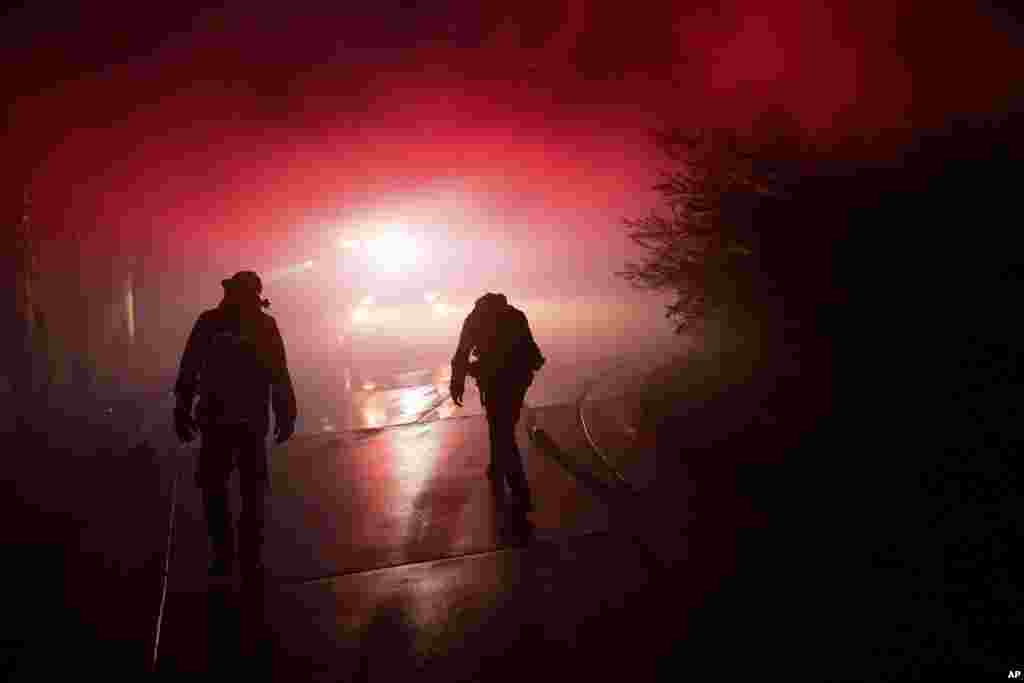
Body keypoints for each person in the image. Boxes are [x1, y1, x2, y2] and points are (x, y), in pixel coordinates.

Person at [174, 271, 297, 579]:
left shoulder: (209, 322)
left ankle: (224, 554)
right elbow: (278, 372)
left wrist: (182, 407)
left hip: (218, 420)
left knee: (217, 488)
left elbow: (189, 368)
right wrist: (285, 411)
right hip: (248, 419)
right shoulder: (263, 325)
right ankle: (246, 554)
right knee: (250, 488)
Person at [450, 292, 545, 512]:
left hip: (493, 380)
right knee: (504, 426)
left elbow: (462, 352)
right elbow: (529, 347)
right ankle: (497, 467)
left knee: (500, 429)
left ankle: (520, 491)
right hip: (517, 380)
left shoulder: (474, 319)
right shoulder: (515, 315)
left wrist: (457, 382)